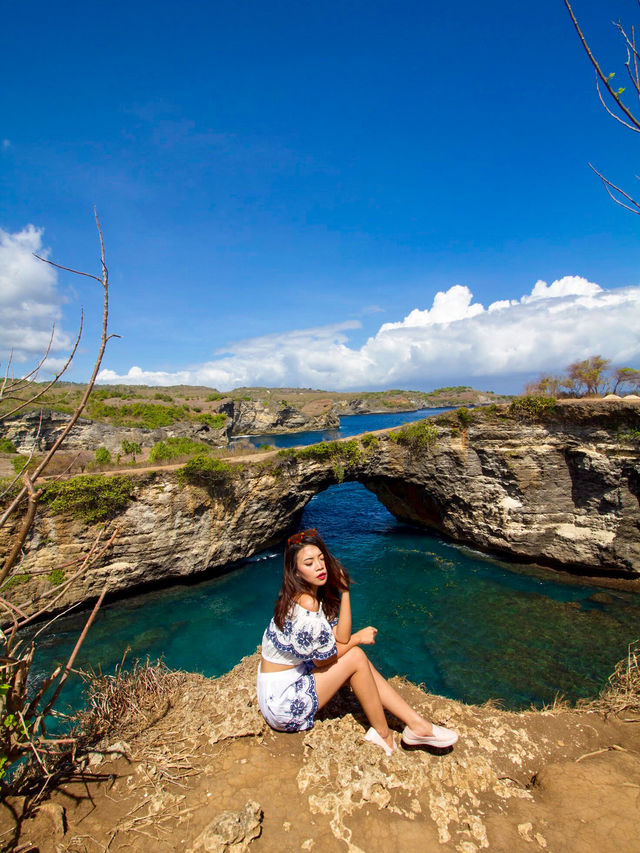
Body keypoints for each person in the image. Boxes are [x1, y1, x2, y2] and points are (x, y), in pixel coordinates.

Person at [256, 528, 458, 755]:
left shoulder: (308, 595)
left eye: (321, 559)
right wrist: (357, 639)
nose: (320, 566)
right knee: (356, 657)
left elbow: (339, 637)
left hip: (277, 688)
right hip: (283, 703)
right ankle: (383, 735)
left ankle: (417, 725)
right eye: (309, 563)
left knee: (359, 663)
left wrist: (345, 592)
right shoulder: (306, 603)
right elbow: (326, 660)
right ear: (296, 572)